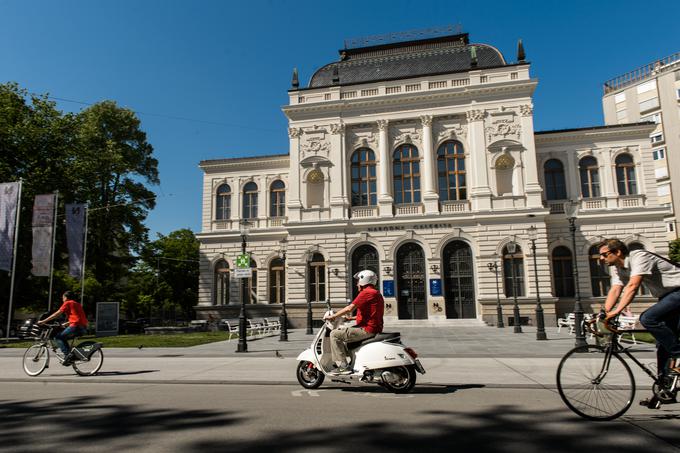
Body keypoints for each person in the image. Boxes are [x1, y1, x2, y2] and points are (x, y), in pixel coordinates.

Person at [599, 239, 680, 406]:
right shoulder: (619, 269)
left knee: (647, 318)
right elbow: (616, 289)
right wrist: (604, 313)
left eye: (604, 254)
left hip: (678, 291)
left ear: (618, 252)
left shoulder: (639, 256)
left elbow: (633, 286)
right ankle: (664, 392)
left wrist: (616, 311)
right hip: (667, 296)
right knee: (662, 346)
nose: (601, 258)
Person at [323, 270, 384, 374]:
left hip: (367, 329)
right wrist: (350, 319)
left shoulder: (366, 293)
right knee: (343, 333)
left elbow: (349, 308)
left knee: (334, 334)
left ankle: (343, 365)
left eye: (358, 281)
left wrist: (333, 316)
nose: (356, 284)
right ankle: (351, 362)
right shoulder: (376, 293)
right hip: (372, 327)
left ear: (363, 280)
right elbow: (369, 315)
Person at [38, 291, 88, 366]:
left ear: (66, 297)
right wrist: (65, 324)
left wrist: (43, 321)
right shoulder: (77, 304)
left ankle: (68, 356)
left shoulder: (67, 303)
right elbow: (78, 317)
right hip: (83, 327)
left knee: (58, 337)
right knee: (64, 338)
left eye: (63, 297)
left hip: (75, 326)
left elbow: (57, 314)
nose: (62, 299)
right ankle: (70, 356)